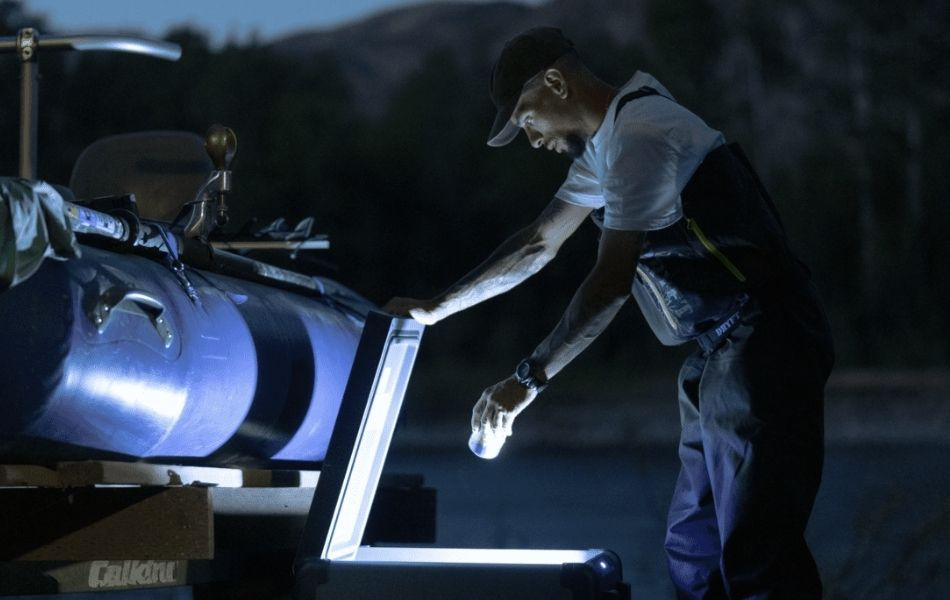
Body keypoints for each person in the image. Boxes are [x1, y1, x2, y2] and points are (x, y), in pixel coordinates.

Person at [383, 27, 834, 599]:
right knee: (693, 549)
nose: (532, 138)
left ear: (555, 82)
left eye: (527, 119)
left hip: (766, 339)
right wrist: (436, 307)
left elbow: (610, 283)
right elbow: (537, 244)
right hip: (718, 349)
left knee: (757, 556)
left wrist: (526, 382)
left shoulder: (641, 135)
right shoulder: (610, 142)